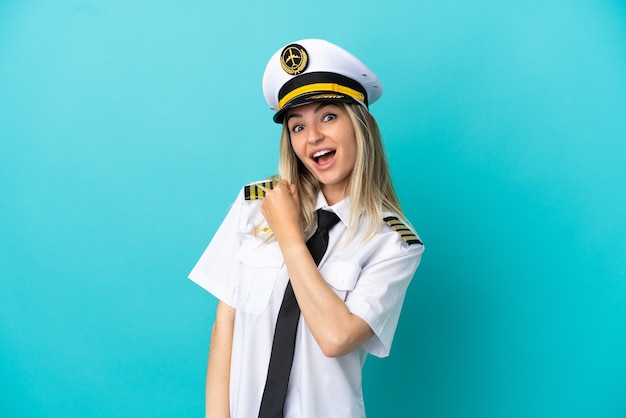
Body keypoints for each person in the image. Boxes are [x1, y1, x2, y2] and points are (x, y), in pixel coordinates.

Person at [189, 38, 424, 418]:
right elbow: (225, 323)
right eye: (297, 126)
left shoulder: (394, 244)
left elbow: (336, 337)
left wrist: (288, 236)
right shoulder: (254, 206)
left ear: (361, 125)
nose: (312, 136)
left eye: (328, 116)